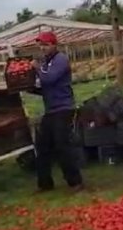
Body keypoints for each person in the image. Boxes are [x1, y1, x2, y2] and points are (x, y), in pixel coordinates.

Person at [30, 31, 84, 192]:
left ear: (54, 45)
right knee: (43, 146)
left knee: (63, 146)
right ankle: (45, 184)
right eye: (41, 45)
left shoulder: (60, 60)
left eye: (46, 45)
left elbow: (49, 79)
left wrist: (37, 68)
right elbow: (45, 86)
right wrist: (30, 88)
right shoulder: (47, 63)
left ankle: (75, 182)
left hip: (64, 108)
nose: (43, 48)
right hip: (51, 110)